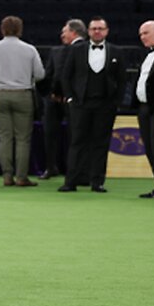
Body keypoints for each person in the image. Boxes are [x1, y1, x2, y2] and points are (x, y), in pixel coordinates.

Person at [59, 17, 126, 193]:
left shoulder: (116, 52)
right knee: (77, 143)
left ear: (107, 31)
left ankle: (97, 182)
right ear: (88, 31)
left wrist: (115, 103)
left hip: (105, 106)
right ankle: (70, 181)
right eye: (94, 28)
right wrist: (71, 99)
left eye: (100, 28)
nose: (97, 31)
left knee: (101, 144)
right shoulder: (76, 50)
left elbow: (122, 80)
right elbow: (66, 76)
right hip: (80, 104)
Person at [0, 16, 45, 187]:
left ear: (2, 29)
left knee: (5, 137)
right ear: (20, 29)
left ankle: (7, 176)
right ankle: (21, 177)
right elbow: (40, 74)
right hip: (23, 94)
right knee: (23, 138)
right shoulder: (30, 49)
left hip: (1, 94)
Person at [37, 22, 77, 179]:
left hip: (71, 100)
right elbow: (48, 74)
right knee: (49, 134)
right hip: (53, 100)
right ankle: (50, 167)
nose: (62, 35)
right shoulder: (55, 51)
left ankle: (73, 169)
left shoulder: (81, 50)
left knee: (74, 135)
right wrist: (49, 93)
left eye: (64, 32)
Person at [135, 20, 154, 199]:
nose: (142, 37)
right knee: (151, 148)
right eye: (140, 34)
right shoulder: (148, 55)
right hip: (145, 108)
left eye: (145, 33)